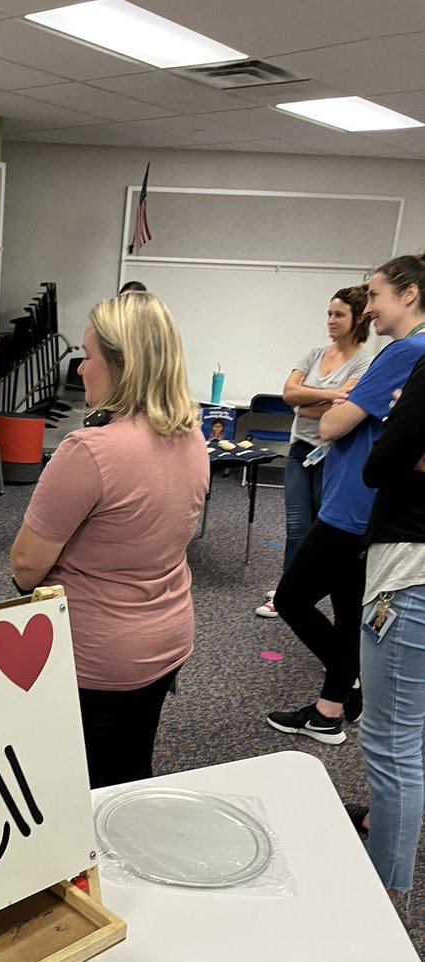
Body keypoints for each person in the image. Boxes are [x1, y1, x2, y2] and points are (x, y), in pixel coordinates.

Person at [10, 292, 209, 787]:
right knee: (130, 773)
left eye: (89, 356)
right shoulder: (192, 437)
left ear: (123, 365)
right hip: (165, 640)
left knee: (71, 792)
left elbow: (25, 566)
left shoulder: (89, 451)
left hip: (95, 658)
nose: (80, 370)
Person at [267, 255, 425, 745]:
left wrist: (337, 403)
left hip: (354, 505)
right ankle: (332, 708)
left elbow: (331, 425)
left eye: (375, 296)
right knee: (349, 605)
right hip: (362, 502)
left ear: (409, 294)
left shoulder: (403, 351)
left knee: (292, 597)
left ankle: (343, 685)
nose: (368, 308)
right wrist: (342, 397)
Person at [356, 337, 425, 910]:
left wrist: (402, 424)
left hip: (413, 568)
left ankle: (384, 902)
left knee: (393, 742)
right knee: (410, 734)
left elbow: (379, 466)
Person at [255, 288, 372, 617]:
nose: (331, 321)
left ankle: (322, 590)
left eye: (339, 315)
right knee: (296, 525)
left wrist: (310, 403)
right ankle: (287, 589)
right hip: (299, 451)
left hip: (332, 456)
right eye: (329, 314)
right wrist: (331, 395)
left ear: (357, 318)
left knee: (324, 527)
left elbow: (344, 412)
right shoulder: (314, 354)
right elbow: (289, 394)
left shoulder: (364, 362)